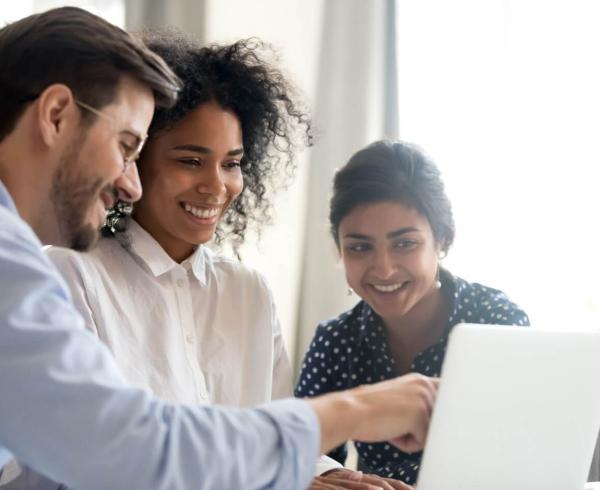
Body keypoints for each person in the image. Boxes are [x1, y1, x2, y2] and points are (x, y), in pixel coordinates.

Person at [0, 8, 438, 490]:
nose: (128, 182)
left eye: (232, 163)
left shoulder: (247, 290)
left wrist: (312, 475)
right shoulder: (48, 271)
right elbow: (127, 448)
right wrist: (359, 411)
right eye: (127, 147)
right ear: (55, 115)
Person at [296, 140, 530, 486]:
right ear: (340, 251)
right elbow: (304, 454)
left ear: (442, 240)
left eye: (405, 244)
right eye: (360, 247)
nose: (384, 269)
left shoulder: (497, 322)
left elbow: (524, 453)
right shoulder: (335, 340)